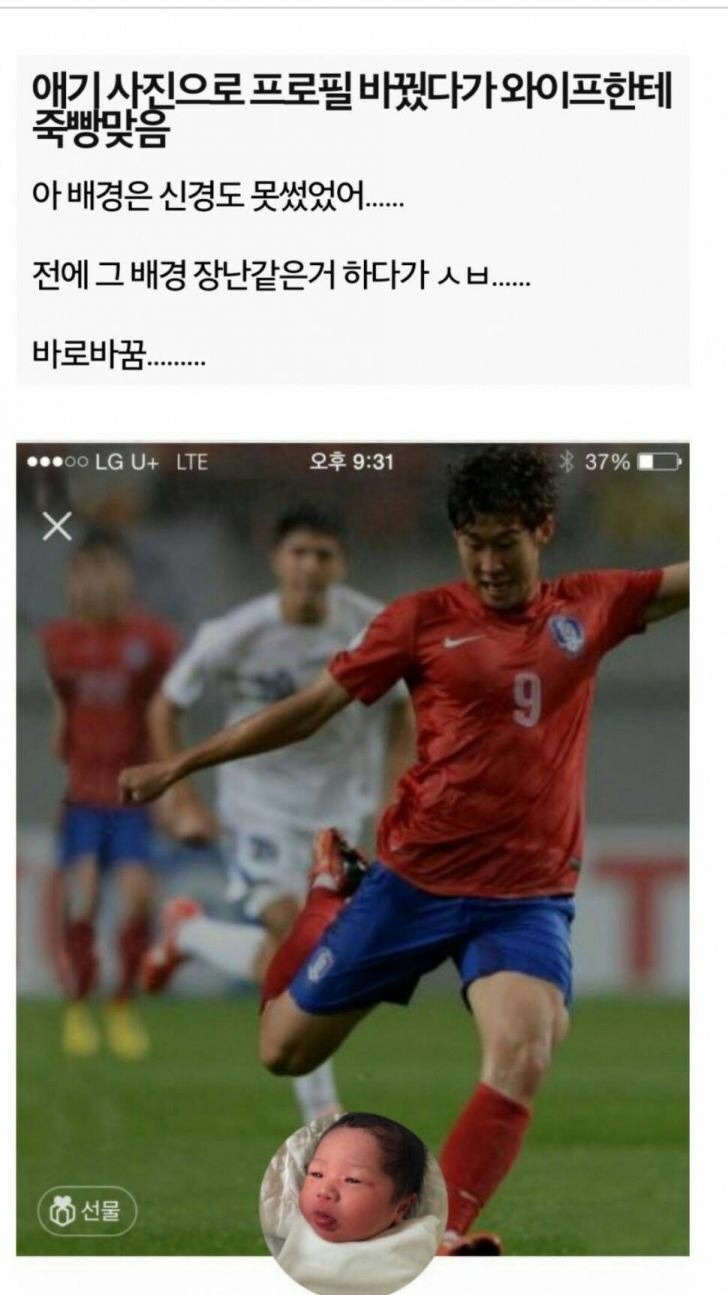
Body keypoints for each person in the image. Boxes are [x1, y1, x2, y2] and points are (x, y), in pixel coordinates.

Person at [119, 446, 689, 1253]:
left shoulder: (593, 605)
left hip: (525, 898)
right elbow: (313, 706)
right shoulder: (420, 619)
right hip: (414, 882)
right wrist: (183, 764)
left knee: (526, 1048)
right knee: (282, 1049)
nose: (488, 563)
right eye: (473, 544)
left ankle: (438, 1236)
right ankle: (326, 899)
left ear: (542, 529)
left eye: (505, 543)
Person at [143, 504, 413, 1123]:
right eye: (299, 553)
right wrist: (181, 796)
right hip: (257, 808)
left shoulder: (372, 626)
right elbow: (166, 705)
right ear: (276, 561)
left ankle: (189, 933)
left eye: (324, 555)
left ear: (341, 565)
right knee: (298, 940)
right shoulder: (233, 633)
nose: (310, 567)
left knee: (301, 954)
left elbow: (405, 710)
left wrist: (394, 793)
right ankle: (322, 1113)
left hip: (339, 813)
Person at [40, 532, 178, 1059]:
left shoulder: (153, 641)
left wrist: (168, 786)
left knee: (137, 897)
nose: (97, 584)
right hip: (82, 798)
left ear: (127, 577)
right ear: (71, 581)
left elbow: (162, 715)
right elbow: (62, 713)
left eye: (106, 571)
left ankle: (122, 1004)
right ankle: (78, 1004)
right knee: (84, 896)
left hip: (133, 797)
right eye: (85, 573)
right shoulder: (59, 641)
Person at [261, 1112, 445, 1295]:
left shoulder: (413, 1244)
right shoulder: (296, 1229)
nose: (324, 1191)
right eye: (317, 1174)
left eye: (352, 1180)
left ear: (402, 1207)